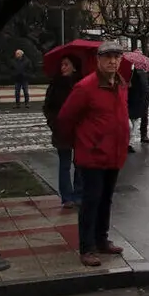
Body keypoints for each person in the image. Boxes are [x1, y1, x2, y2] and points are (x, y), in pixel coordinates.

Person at [56, 40, 130, 267]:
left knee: (106, 200)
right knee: (90, 201)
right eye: (108, 57)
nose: (113, 61)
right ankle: (87, 247)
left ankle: (101, 239)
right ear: (98, 60)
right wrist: (81, 142)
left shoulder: (120, 84)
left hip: (114, 154)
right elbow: (65, 119)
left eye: (117, 57)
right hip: (92, 155)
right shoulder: (86, 87)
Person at [42, 55, 84, 208]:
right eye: (62, 65)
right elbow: (48, 107)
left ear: (74, 67)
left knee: (80, 163)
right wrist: (54, 123)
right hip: (61, 129)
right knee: (64, 164)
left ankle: (79, 194)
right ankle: (67, 197)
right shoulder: (55, 84)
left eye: (66, 64)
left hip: (80, 130)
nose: (63, 68)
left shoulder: (82, 84)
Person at [127, 66, 149, 152]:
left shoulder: (145, 71)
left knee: (137, 121)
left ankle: (132, 142)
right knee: (129, 124)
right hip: (130, 100)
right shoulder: (129, 71)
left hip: (141, 99)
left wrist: (148, 89)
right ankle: (127, 141)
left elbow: (148, 83)